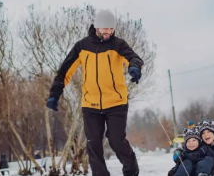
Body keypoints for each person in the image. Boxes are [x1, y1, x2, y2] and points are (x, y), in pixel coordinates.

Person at [46, 9, 143, 176]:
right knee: (93, 144)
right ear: (97, 27)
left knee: (116, 140)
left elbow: (134, 58)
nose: (108, 32)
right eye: (105, 28)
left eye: (111, 29)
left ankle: (131, 170)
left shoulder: (118, 44)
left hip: (116, 102)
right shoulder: (82, 47)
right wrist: (55, 94)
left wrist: (134, 67)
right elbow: (64, 71)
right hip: (91, 105)